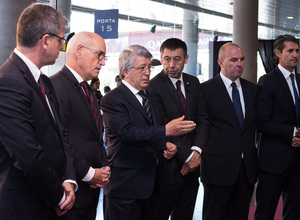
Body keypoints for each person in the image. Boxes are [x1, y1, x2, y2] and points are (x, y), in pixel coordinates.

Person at [101, 44, 197, 220]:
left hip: (152, 186)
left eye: (149, 67)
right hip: (125, 187)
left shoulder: (150, 98)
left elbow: (152, 129)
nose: (147, 72)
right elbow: (127, 133)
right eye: (141, 68)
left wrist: (165, 145)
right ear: (125, 72)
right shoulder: (112, 99)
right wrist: (165, 131)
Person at [0, 3, 76, 219]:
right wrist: (59, 196)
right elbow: (27, 153)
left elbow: (61, 136)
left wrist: (69, 179)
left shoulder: (44, 81)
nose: (61, 47)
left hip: (49, 198)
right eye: (60, 41)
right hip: (23, 205)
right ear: (45, 41)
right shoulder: (7, 83)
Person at [50, 32, 110, 220]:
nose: (103, 62)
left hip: (91, 190)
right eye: (99, 55)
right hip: (71, 190)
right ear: (79, 51)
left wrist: (104, 167)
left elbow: (94, 136)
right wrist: (89, 173)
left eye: (104, 57)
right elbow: (60, 140)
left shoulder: (88, 90)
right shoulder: (57, 87)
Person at [147, 38, 209, 220]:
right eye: (167, 59)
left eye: (177, 59)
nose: (171, 65)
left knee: (185, 215)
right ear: (161, 58)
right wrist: (187, 156)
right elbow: (161, 126)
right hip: (168, 167)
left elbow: (203, 120)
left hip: (193, 168)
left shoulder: (194, 82)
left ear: (186, 58)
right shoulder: (153, 87)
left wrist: (196, 153)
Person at [200, 42, 258, 220]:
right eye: (233, 60)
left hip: (246, 170)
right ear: (220, 62)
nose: (239, 64)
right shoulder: (205, 90)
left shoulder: (253, 90)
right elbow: (201, 127)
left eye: (241, 59)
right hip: (217, 170)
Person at [255, 34, 300, 220]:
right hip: (273, 161)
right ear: (278, 53)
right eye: (290, 51)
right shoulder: (267, 81)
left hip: (298, 161)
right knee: (265, 212)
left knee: (295, 212)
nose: (295, 55)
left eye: (297, 51)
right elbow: (263, 122)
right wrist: (292, 132)